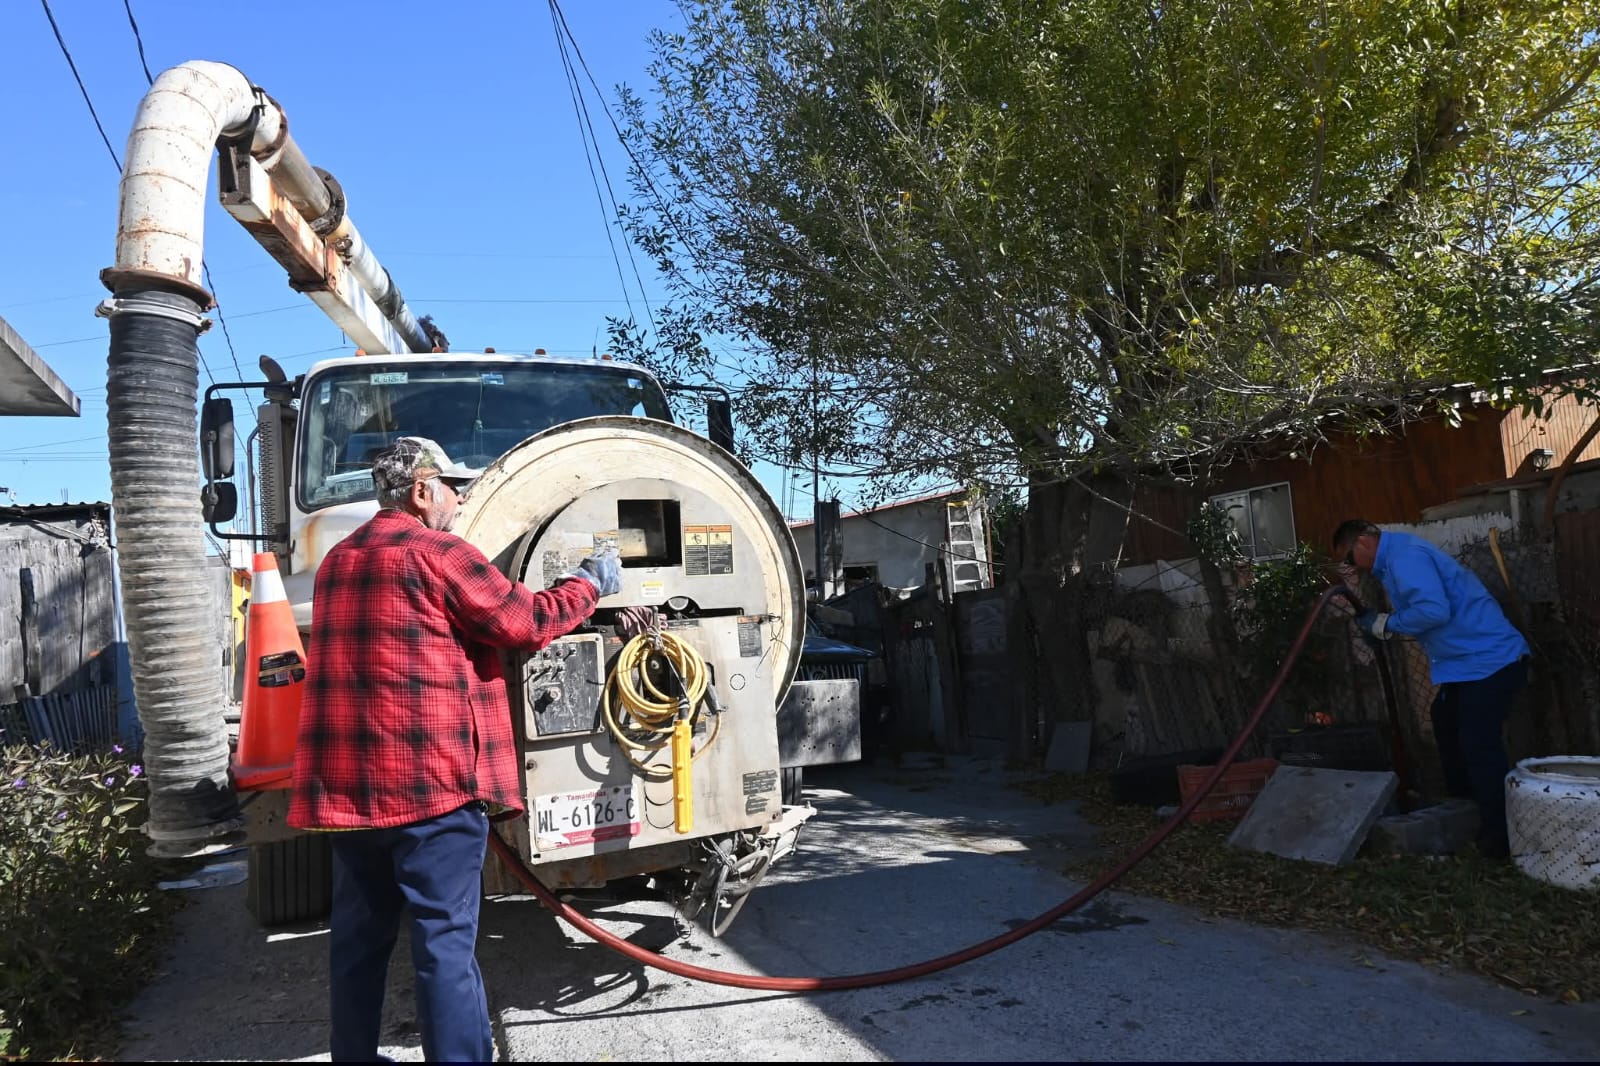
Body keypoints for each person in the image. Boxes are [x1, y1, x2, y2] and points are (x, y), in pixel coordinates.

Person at [288, 436, 622, 1061]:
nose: (462, 499)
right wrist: (586, 585)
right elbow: (524, 622)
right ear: (422, 490)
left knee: (359, 939)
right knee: (443, 944)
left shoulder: (339, 560)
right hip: (431, 791)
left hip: (348, 794)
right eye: (453, 487)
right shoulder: (438, 553)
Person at [1331, 519, 1528, 858]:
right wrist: (1384, 624)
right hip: (1468, 665)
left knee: (1478, 743)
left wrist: (1386, 623)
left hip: (1491, 661)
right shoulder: (1395, 560)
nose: (1351, 566)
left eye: (1349, 558)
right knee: (1445, 721)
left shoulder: (1405, 557)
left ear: (1363, 541)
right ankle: (1466, 814)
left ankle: (1500, 838)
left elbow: (1434, 611)